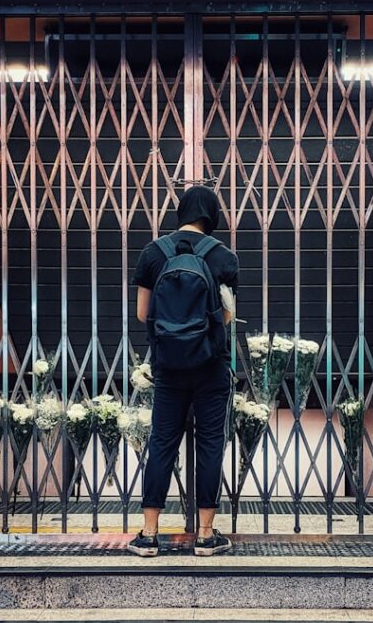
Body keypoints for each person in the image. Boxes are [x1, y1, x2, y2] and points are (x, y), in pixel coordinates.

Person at [127, 185, 237, 557]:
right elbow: (227, 316)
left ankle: (149, 534)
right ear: (212, 215)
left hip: (168, 367)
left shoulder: (152, 253)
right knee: (210, 444)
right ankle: (205, 536)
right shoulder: (224, 257)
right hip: (211, 366)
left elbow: (143, 314)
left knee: (161, 443)